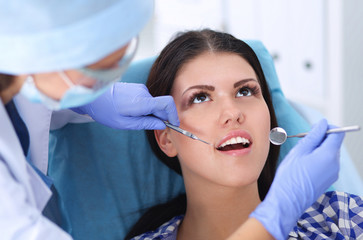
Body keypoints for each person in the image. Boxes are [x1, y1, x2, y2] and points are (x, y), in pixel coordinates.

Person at [125, 29, 362, 240]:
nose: (233, 112)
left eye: (245, 91)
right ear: (166, 138)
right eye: (200, 97)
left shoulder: (341, 218)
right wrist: (276, 216)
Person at [0, 0, 180, 239]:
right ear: (43, 53)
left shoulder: (23, 73)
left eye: (245, 91)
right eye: (100, 71)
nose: (231, 114)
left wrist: (92, 98)